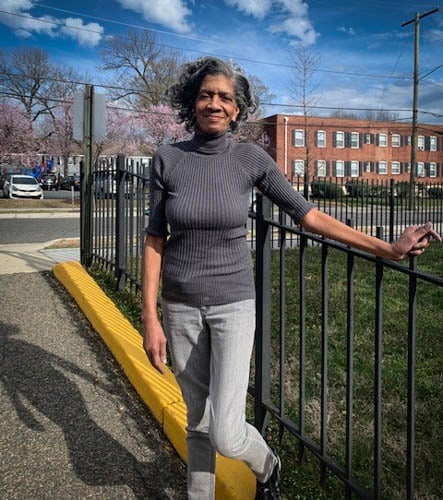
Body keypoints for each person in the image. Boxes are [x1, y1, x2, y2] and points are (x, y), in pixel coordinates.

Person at [141, 57, 440, 500]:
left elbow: (310, 215)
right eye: (206, 95)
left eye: (225, 97)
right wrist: (150, 316)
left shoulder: (250, 158)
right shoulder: (168, 159)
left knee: (225, 431)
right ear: (192, 101)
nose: (215, 104)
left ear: (238, 109)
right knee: (197, 422)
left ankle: (268, 466)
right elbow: (154, 238)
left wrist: (386, 248)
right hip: (180, 306)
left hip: (232, 305)